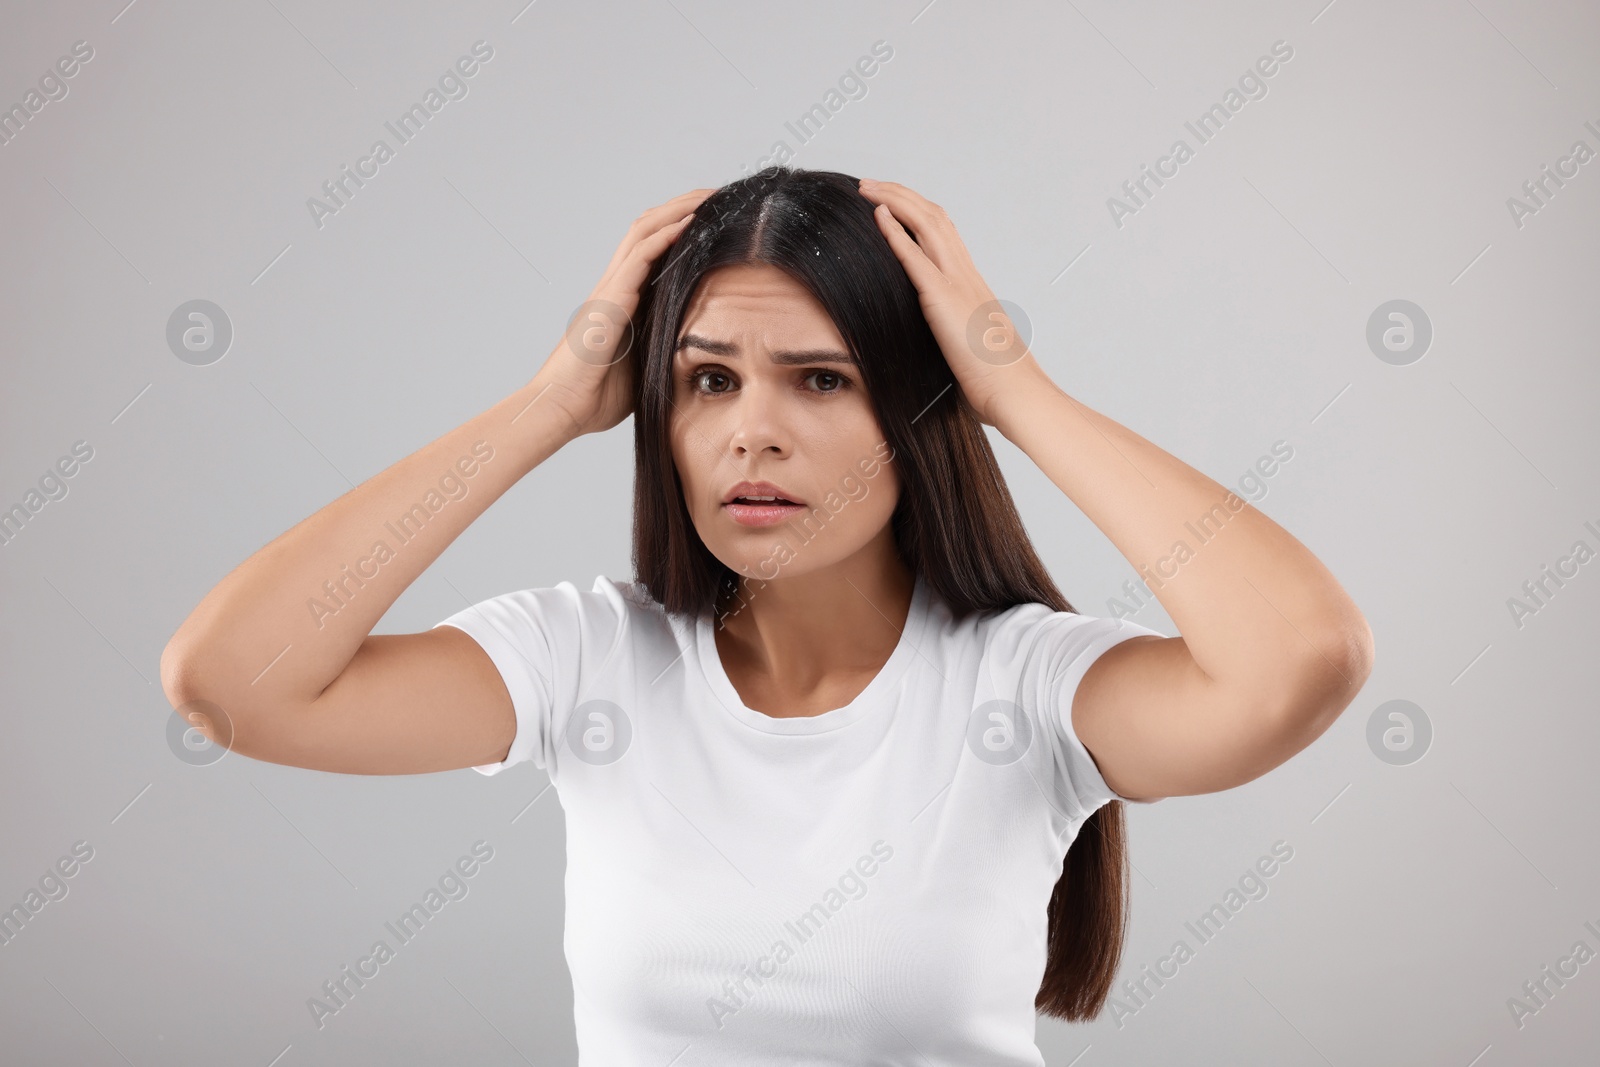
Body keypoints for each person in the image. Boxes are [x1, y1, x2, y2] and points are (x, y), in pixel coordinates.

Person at [160, 166, 1373, 1065]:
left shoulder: (1024, 688)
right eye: (706, 379)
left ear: (915, 410)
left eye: (823, 378)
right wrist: (544, 405)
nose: (753, 428)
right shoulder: (590, 658)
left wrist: (1012, 387)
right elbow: (233, 680)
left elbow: (1297, 660)